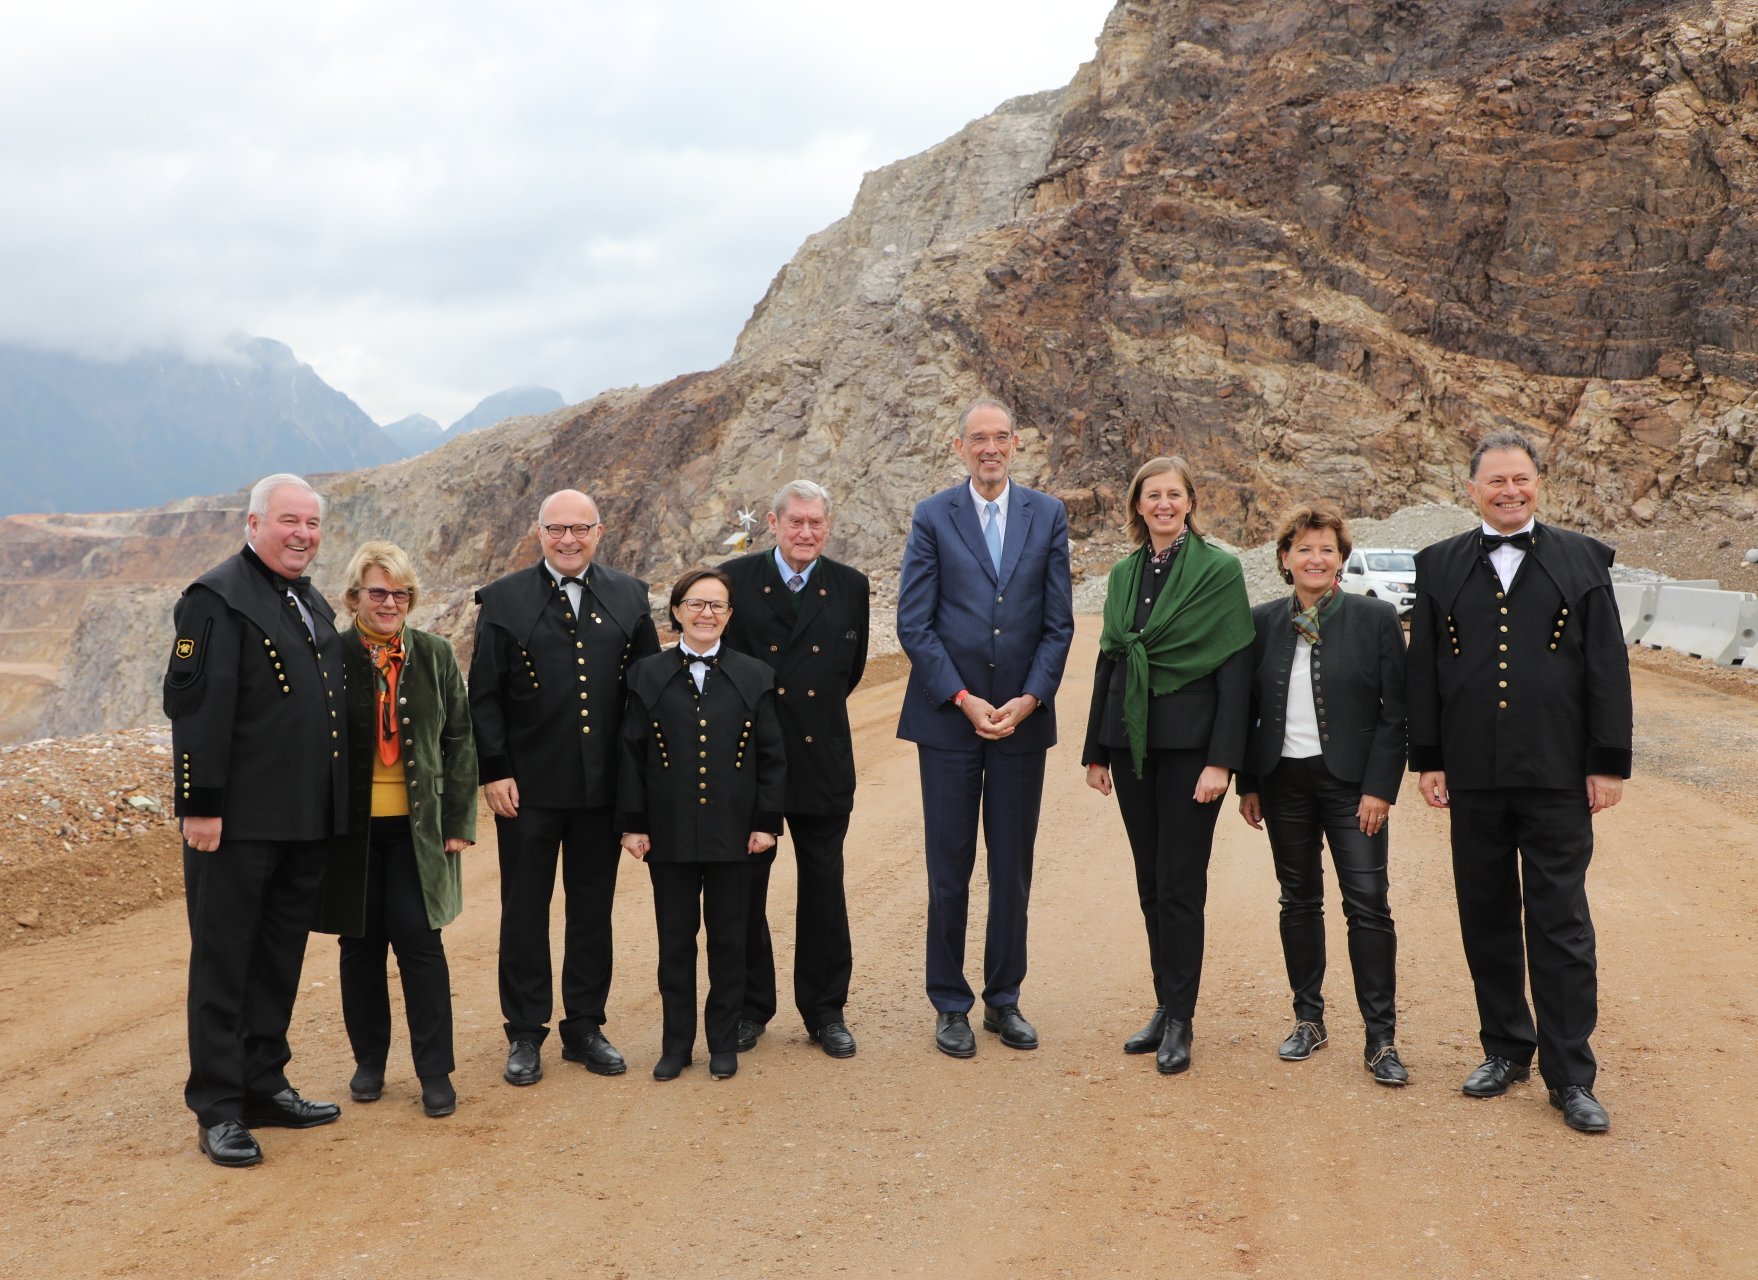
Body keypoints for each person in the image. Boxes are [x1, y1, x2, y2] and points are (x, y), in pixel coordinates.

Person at [1408, 429, 1631, 1134]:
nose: (1510, 491)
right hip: (1473, 774)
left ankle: (1571, 1076)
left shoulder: (1583, 561)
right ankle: (1505, 1049)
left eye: (1521, 479)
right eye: (1495, 482)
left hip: (1558, 774)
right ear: (1471, 489)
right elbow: (1425, 674)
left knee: (1560, 924)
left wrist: (1607, 761)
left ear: (1540, 483)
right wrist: (1429, 757)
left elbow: (1606, 667)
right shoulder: (1438, 566)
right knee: (1487, 915)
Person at [163, 473, 349, 1167]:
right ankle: (217, 1106)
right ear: (253, 523)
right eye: (289, 521)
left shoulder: (306, 598)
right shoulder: (216, 599)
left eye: (313, 523)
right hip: (235, 823)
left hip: (301, 819)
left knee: (277, 959)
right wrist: (201, 804)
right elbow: (195, 708)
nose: (303, 534)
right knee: (224, 962)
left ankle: (264, 1084)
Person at [896, 397, 1074, 1058]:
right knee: (949, 869)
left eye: (1001, 437)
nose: (990, 448)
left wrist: (1030, 698)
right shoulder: (932, 517)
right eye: (979, 439)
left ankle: (1004, 999)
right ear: (959, 447)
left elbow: (1058, 624)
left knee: (1013, 868)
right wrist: (965, 699)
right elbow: (914, 623)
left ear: (1016, 444)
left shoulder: (1047, 515)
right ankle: (950, 1002)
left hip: (1022, 725)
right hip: (949, 722)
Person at [469, 489, 661, 1086]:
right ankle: (525, 1032)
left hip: (601, 790)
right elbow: (485, 694)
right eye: (558, 530)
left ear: (599, 531)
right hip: (526, 790)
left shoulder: (630, 597)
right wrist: (494, 769)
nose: (569, 540)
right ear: (540, 532)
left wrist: (640, 789)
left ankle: (584, 1026)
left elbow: (646, 698)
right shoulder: (502, 601)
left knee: (591, 911)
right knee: (523, 911)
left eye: (581, 529)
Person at [1082, 456, 1252, 1074]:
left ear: (1189, 503)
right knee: (1150, 881)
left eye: (1173, 495)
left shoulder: (1219, 570)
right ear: (1137, 504)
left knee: (1181, 885)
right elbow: (1110, 658)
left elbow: (1235, 670)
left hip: (1190, 753)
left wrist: (1222, 763)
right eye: (1151, 495)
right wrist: (1095, 751)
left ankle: (1182, 1018)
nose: (1162, 504)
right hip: (1130, 746)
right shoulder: (1125, 573)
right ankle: (1164, 1003)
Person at [1236, 505, 1410, 1086]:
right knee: (1298, 900)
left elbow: (1395, 714)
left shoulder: (1375, 618)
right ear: (1285, 559)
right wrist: (1250, 783)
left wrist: (1379, 788)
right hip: (1284, 783)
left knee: (1368, 904)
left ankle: (1380, 1038)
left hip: (1351, 789)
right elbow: (1247, 710)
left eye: (1327, 549)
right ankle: (1308, 1018)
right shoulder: (1261, 622)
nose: (1316, 559)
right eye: (1304, 549)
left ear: (1342, 558)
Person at [312, 542, 478, 1118]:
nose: (390, 603)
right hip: (349, 833)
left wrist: (458, 819)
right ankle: (370, 1063)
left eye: (400, 593)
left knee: (419, 941)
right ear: (354, 597)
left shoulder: (432, 654)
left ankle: (435, 1071)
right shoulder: (329, 655)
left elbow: (459, 739)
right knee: (358, 946)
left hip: (418, 831)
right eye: (378, 592)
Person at [618, 569, 787, 1080]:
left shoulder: (755, 675)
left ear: (730, 615)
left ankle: (722, 1042)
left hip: (735, 833)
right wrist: (632, 825)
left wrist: (766, 824)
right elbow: (630, 755)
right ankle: (675, 1045)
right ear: (676, 611)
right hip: (666, 833)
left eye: (717, 606)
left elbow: (772, 757)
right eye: (696, 604)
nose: (706, 614)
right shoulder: (645, 674)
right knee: (674, 942)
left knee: (730, 940)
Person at [720, 480, 869, 1060]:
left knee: (824, 889)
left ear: (828, 525)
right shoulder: (734, 580)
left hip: (822, 759)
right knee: (746, 889)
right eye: (795, 522)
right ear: (772, 522)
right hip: (752, 761)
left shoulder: (850, 585)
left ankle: (825, 1010)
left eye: (816, 523)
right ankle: (751, 1007)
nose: (806, 533)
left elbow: (847, 671)